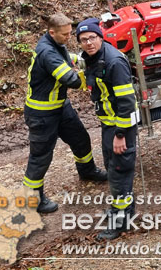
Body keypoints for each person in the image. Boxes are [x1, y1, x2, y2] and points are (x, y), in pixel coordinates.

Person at [23, 13, 107, 214]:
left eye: (71, 33)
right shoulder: (47, 52)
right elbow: (71, 79)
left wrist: (87, 58)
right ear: (52, 32)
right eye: (66, 34)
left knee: (80, 139)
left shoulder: (55, 44)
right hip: (42, 113)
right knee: (40, 157)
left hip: (60, 106)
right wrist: (93, 73)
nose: (69, 38)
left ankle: (87, 171)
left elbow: (69, 58)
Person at [76, 18, 138, 240]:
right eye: (83, 40)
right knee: (113, 168)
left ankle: (120, 223)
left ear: (100, 37)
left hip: (121, 127)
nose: (88, 43)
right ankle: (124, 212)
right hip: (109, 124)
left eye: (92, 38)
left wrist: (121, 135)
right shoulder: (94, 59)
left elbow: (127, 103)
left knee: (119, 173)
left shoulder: (113, 62)